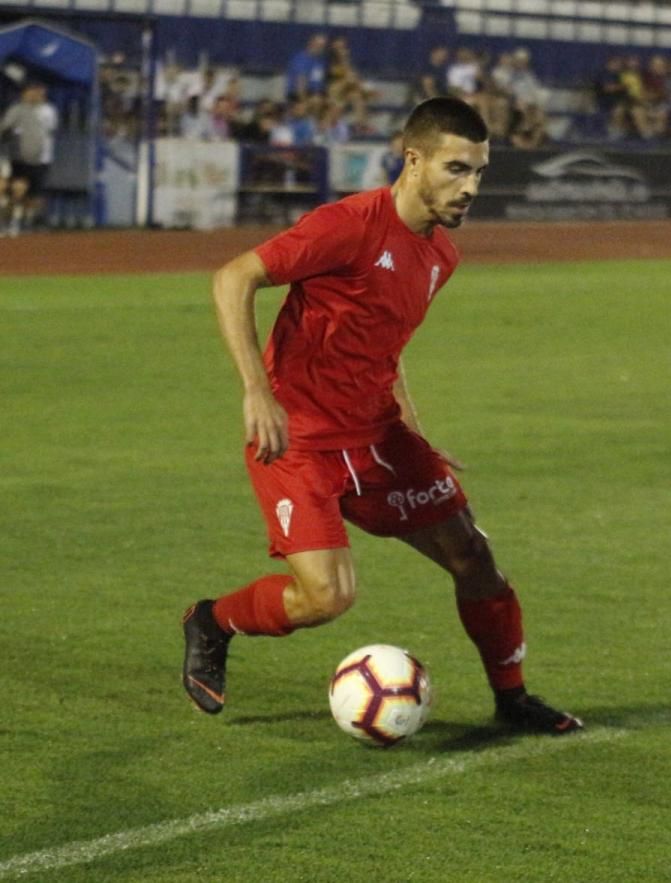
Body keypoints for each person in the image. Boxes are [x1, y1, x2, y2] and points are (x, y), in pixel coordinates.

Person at [182, 97, 583, 736]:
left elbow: (385, 345)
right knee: (327, 599)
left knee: (475, 558)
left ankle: (512, 700)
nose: (471, 186)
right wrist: (256, 391)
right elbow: (235, 277)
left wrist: (413, 428)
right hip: (300, 440)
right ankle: (212, 620)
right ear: (413, 159)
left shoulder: (440, 257)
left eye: (480, 172)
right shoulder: (347, 225)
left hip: (377, 437)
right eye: (457, 169)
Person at [0, 82, 58, 231]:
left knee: (36, 193)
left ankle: (32, 220)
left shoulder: (49, 111)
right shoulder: (17, 110)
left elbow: (50, 131)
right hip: (19, 157)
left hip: (41, 158)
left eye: (38, 92)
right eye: (31, 91)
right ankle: (10, 220)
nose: (35, 95)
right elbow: (5, 128)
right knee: (17, 189)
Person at [285, 34, 328, 101]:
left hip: (317, 93)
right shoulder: (301, 59)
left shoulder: (320, 60)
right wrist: (304, 102)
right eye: (318, 45)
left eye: (322, 46)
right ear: (311, 43)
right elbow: (301, 85)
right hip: (299, 95)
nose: (320, 48)